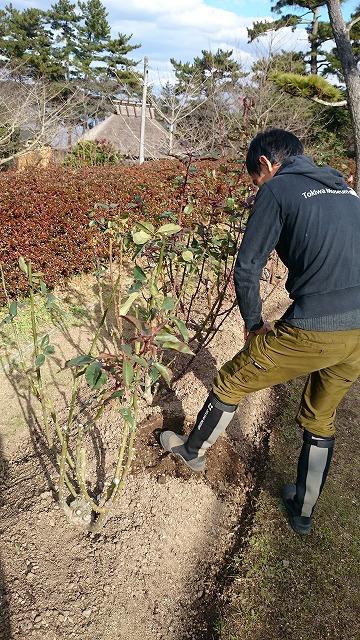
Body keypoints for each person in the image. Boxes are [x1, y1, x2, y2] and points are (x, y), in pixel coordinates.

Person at [160, 128, 360, 535]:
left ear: (266, 165)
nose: (257, 188)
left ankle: (192, 451)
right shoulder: (343, 188)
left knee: (233, 380)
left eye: (255, 180)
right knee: (321, 417)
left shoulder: (278, 189)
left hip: (317, 326)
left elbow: (248, 266)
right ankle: (302, 511)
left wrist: (253, 325)